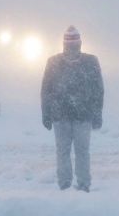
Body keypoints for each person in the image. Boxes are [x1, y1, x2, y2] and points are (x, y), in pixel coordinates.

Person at [41, 25, 104, 192]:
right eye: (69, 45)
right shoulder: (89, 62)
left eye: (73, 45)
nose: (71, 48)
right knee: (71, 151)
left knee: (71, 151)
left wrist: (47, 114)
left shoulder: (88, 62)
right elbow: (46, 90)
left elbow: (98, 90)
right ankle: (69, 184)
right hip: (70, 115)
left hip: (73, 115)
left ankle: (77, 184)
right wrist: (46, 114)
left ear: (80, 44)